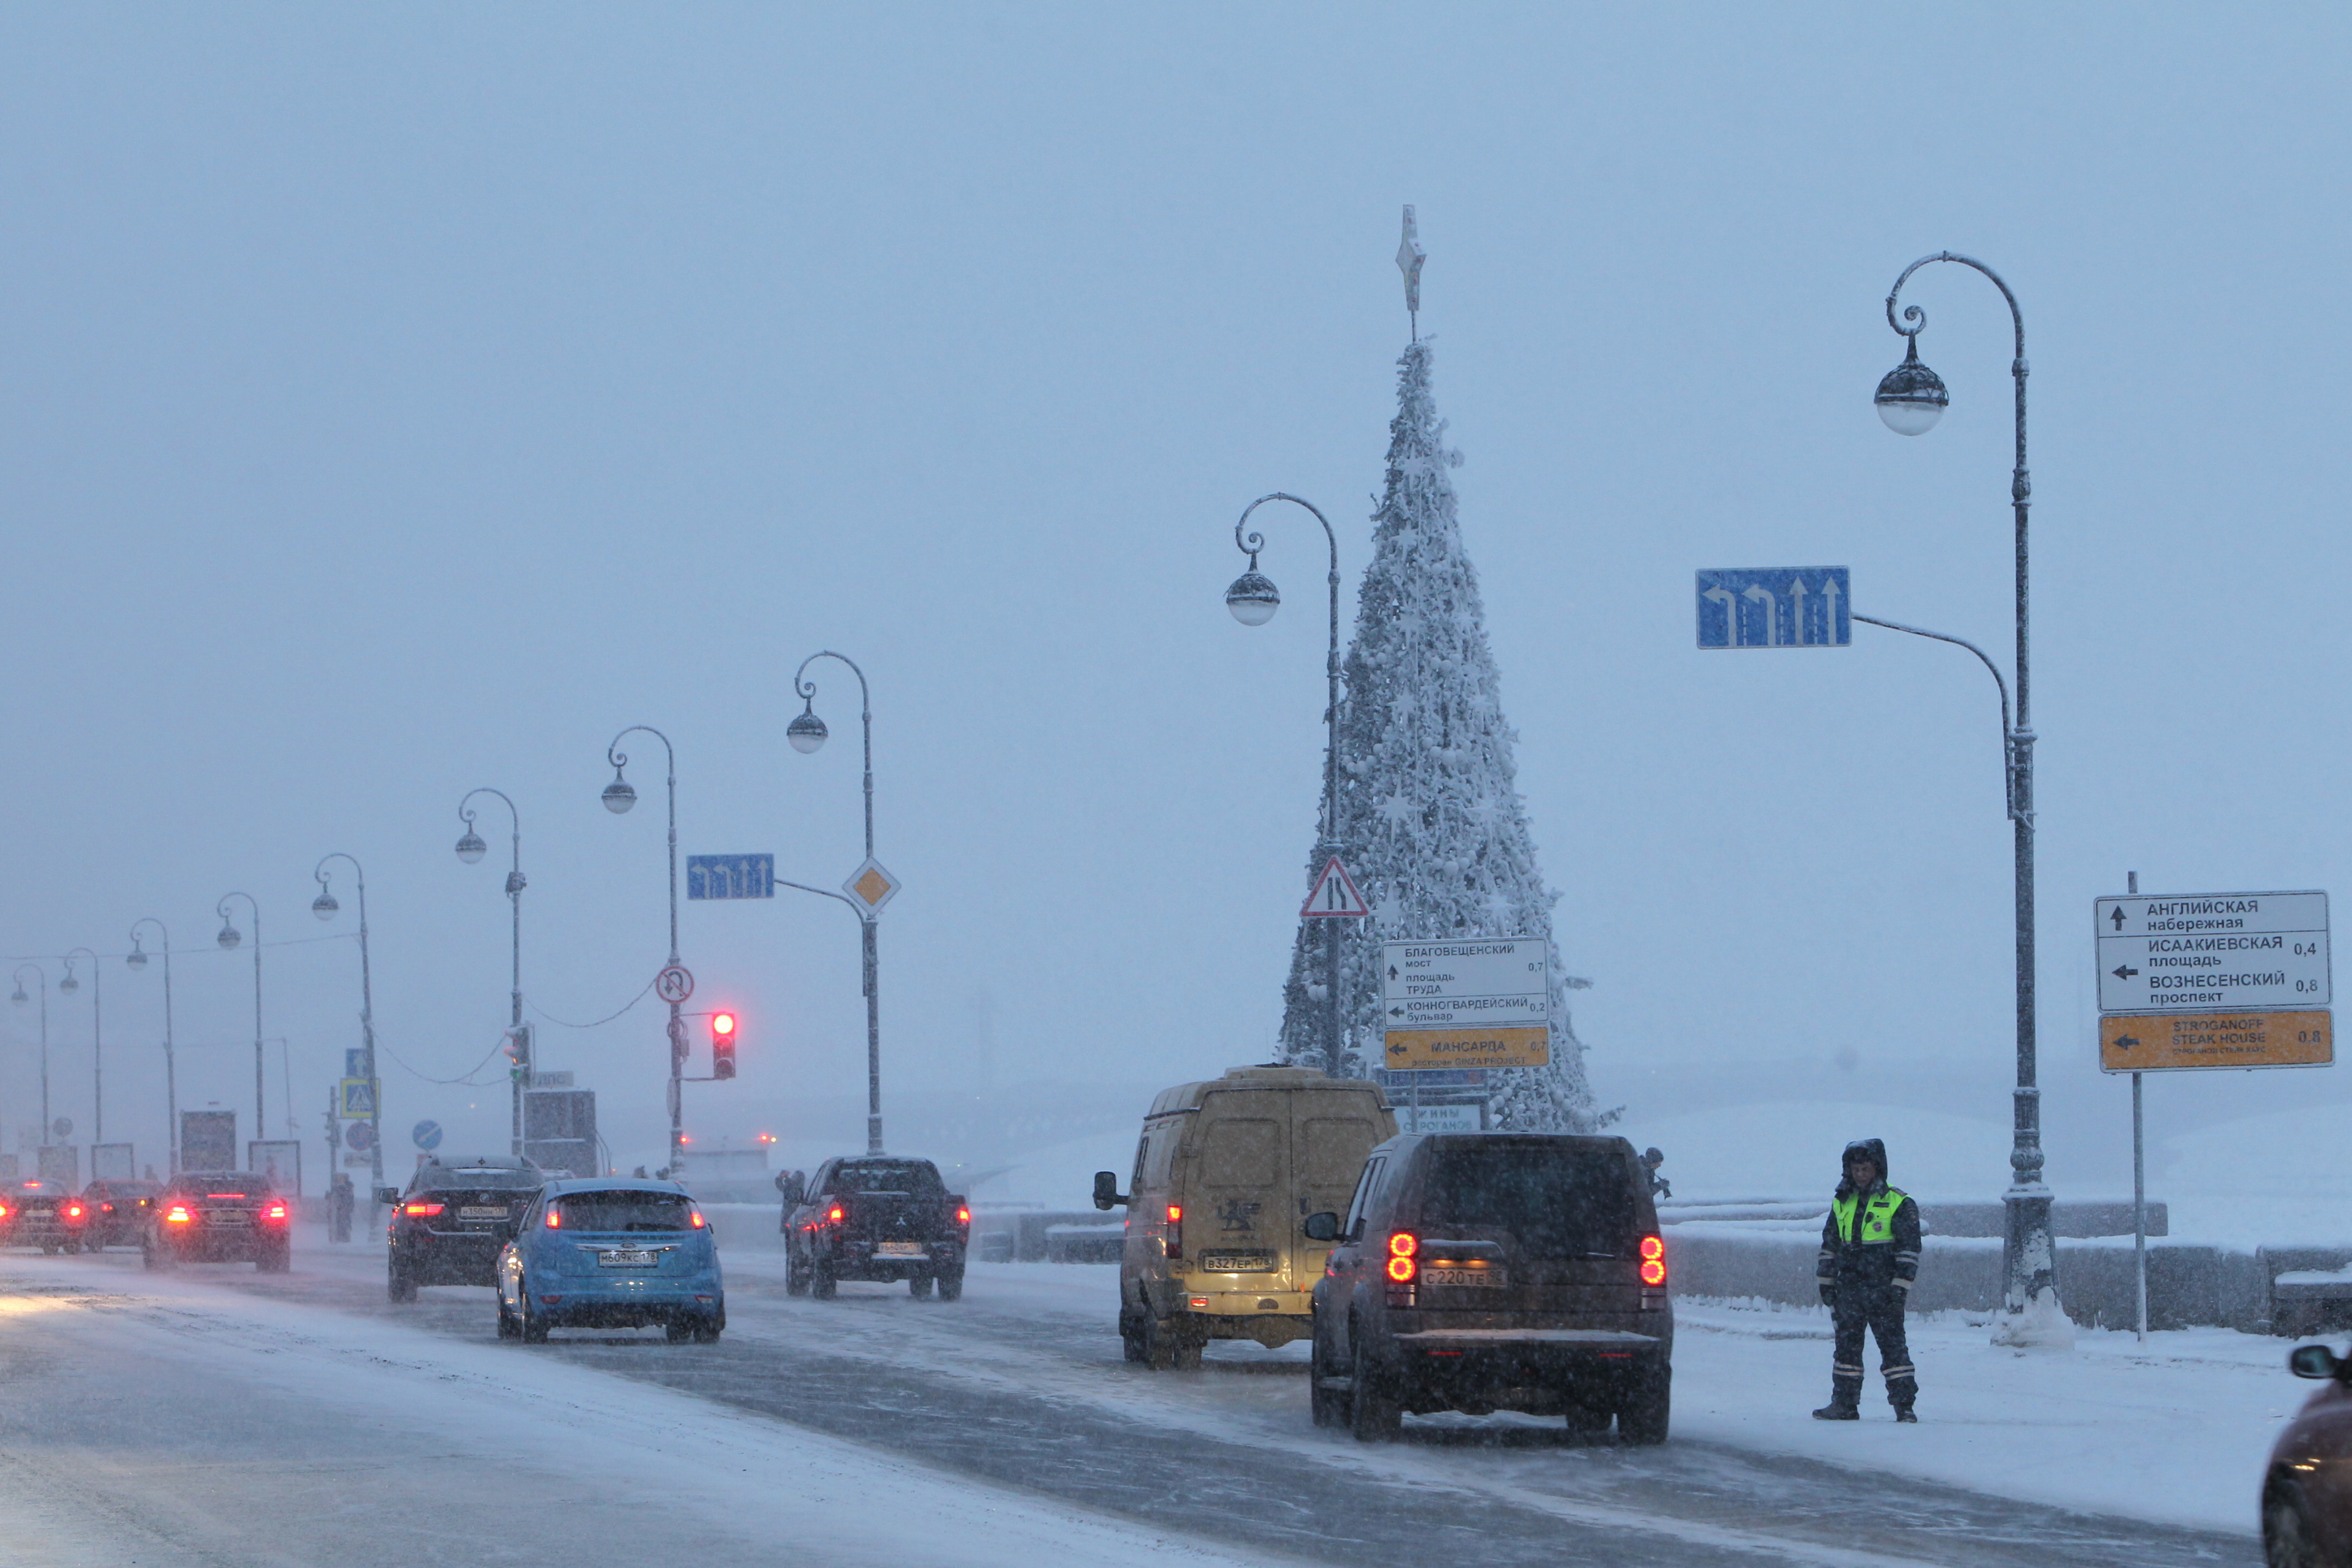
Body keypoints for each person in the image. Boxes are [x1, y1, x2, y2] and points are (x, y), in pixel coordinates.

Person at [1813, 1137, 1920, 1422]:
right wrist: (1826, 1280)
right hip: (1849, 1288)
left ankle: (1904, 1407)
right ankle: (1845, 1404)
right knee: (1846, 1349)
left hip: (1883, 1289)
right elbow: (1830, 1243)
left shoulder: (1900, 1202)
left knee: (1893, 1348)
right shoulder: (1842, 1202)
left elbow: (1909, 1249)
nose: (1860, 1174)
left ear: (1878, 1168)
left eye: (1865, 1169)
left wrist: (1900, 1286)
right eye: (1855, 1169)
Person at [328, 1173, 354, 1244]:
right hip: (343, 1208)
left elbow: (347, 1197)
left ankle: (343, 1237)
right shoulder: (347, 1187)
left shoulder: (345, 1188)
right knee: (342, 1222)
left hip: (344, 1208)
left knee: (343, 1222)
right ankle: (342, 1236)